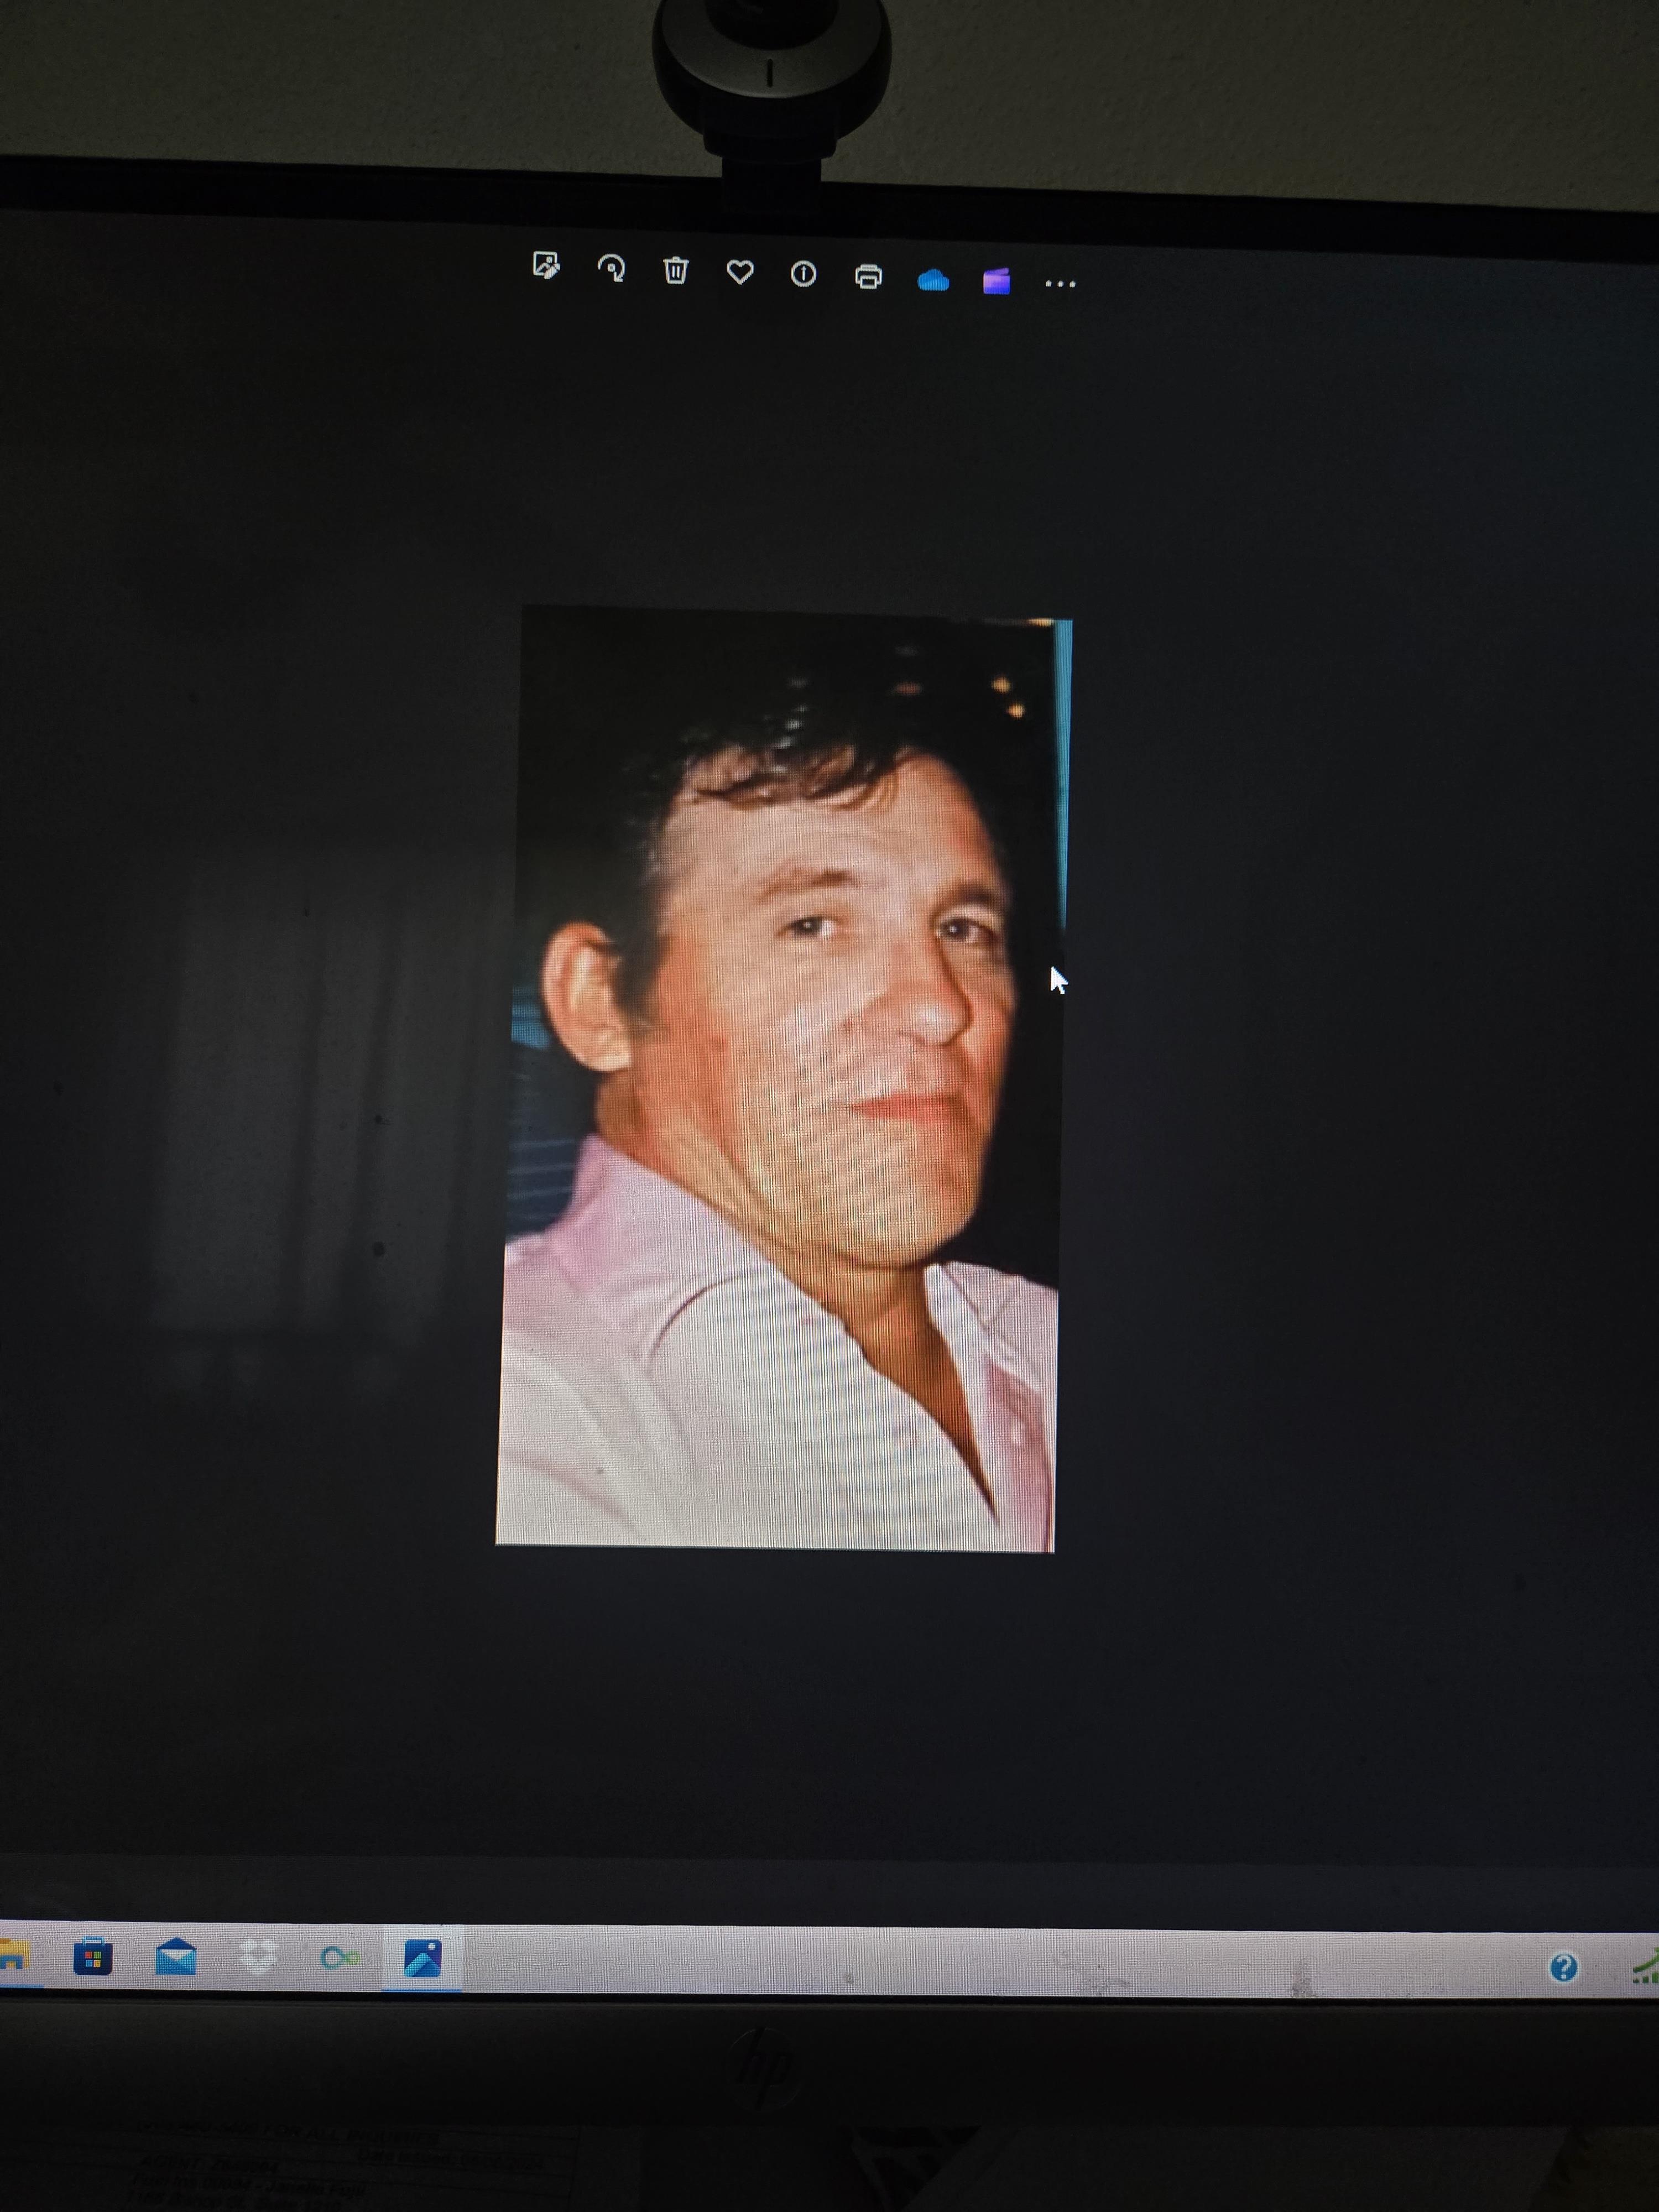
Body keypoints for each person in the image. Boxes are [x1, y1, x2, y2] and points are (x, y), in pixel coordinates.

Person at [497, 676, 1057, 1550]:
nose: (941, 1008)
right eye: (815, 924)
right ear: (600, 1005)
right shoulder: (530, 1404)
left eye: (962, 930)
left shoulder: (1054, 1342)